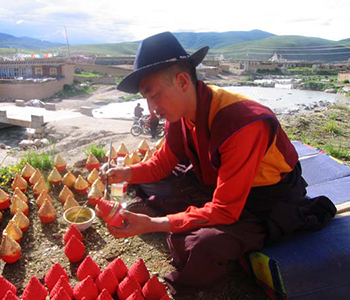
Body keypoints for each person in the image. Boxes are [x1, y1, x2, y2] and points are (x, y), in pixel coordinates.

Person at [102, 32, 336, 295]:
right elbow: (161, 165)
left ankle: (179, 232)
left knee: (201, 246)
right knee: (150, 181)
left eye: (153, 95)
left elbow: (226, 210)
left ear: (182, 81)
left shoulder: (242, 122)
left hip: (263, 200)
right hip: (216, 184)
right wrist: (125, 173)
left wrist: (154, 224)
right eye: (146, 98)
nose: (151, 108)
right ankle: (173, 215)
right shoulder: (179, 114)